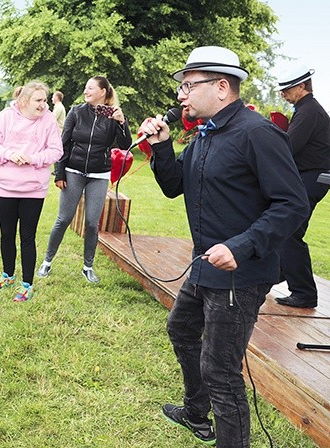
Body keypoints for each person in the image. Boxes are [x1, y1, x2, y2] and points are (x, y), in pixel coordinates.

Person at [139, 46, 308, 447]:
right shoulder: (206, 133)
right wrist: (162, 146)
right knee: (181, 329)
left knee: (221, 370)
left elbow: (293, 203)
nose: (180, 94)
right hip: (205, 265)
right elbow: (175, 186)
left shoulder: (256, 133)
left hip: (240, 274)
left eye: (187, 85)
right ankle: (197, 414)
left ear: (220, 87)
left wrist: (242, 245)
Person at [36, 76, 132, 283]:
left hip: (99, 174)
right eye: (85, 87)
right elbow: (63, 144)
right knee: (63, 219)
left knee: (91, 222)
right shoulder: (76, 111)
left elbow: (125, 145)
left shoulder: (114, 115)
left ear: (103, 92)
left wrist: (122, 122)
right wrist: (59, 173)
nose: (86, 91)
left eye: (90, 88)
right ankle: (47, 261)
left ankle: (87, 267)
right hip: (73, 171)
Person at [0, 81, 63, 302]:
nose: (43, 105)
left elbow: (56, 151)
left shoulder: (48, 120)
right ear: (24, 101)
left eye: (45, 100)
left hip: (33, 189)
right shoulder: (6, 117)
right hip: (6, 186)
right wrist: (9, 154)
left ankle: (27, 284)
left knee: (27, 237)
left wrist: (34, 159)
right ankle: (7, 275)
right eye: (38, 100)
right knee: (6, 234)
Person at [273, 64, 330, 309]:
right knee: (287, 229)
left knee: (290, 231)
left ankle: (305, 293)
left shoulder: (309, 112)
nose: (283, 94)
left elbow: (288, 146)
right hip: (309, 176)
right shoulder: (305, 109)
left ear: (301, 86)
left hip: (313, 178)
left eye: (286, 90)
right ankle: (279, 274)